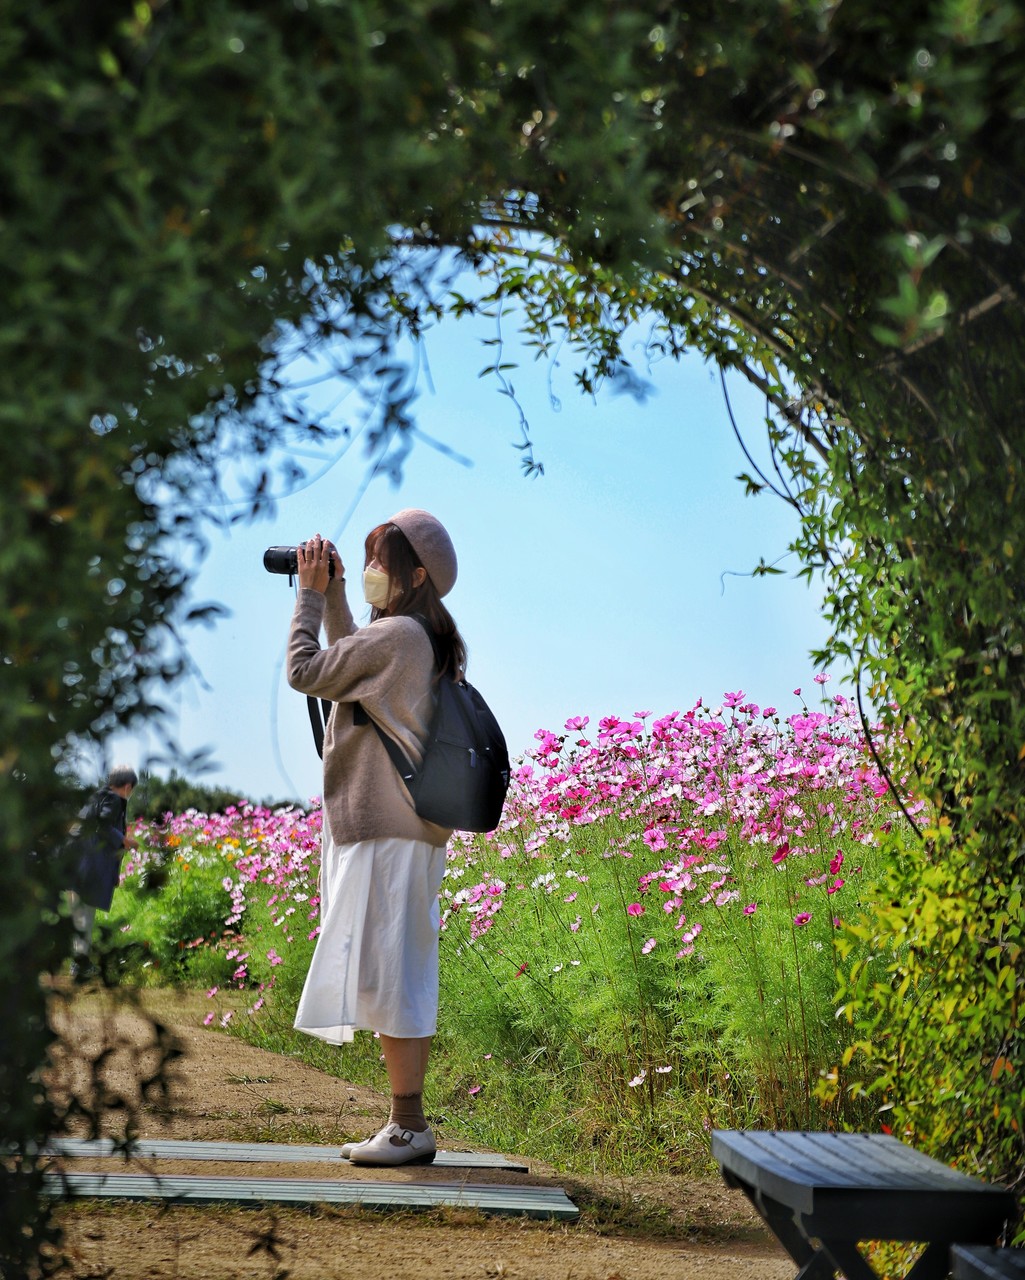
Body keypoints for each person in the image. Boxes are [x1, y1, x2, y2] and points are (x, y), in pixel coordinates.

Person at [286, 508, 463, 1167]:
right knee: (392, 972)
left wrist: (309, 597)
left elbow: (307, 670)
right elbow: (353, 666)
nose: (368, 572)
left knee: (395, 976)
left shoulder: (400, 637)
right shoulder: (414, 636)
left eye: (379, 563)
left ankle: (409, 1128)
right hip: (397, 829)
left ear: (415, 577)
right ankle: (404, 1124)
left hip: (389, 831)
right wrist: (335, 594)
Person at [68, 764, 139, 980]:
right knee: (85, 916)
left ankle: (79, 963)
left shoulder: (96, 797)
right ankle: (80, 965)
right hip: (89, 866)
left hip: (76, 862)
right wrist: (124, 840)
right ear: (127, 787)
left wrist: (114, 872)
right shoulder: (114, 800)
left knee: (79, 915)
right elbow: (103, 825)